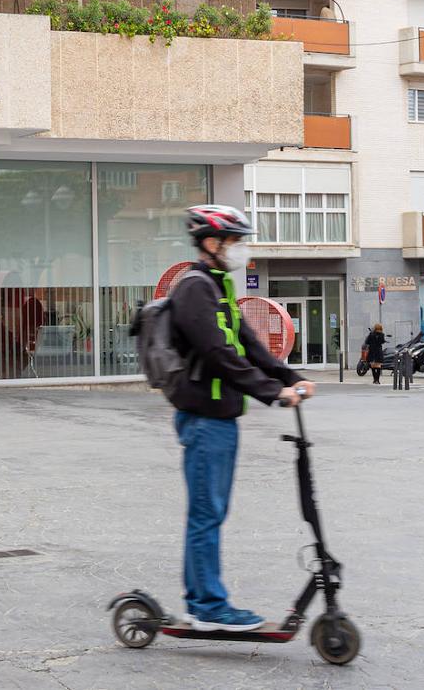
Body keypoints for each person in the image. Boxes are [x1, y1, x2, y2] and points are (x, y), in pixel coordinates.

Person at [168, 204, 316, 632]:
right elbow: (218, 353)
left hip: (220, 419)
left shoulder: (218, 287)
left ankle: (201, 601)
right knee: (206, 513)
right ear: (211, 243)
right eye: (234, 241)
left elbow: (248, 344)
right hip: (203, 419)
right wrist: (272, 392)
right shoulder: (194, 289)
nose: (240, 249)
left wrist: (290, 377)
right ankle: (207, 608)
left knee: (210, 511)